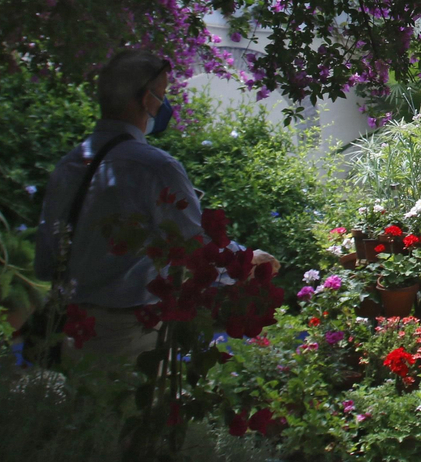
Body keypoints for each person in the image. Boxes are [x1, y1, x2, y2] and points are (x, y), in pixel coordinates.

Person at [34, 48, 278, 363]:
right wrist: (248, 261)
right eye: (162, 94)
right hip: (125, 336)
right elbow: (198, 248)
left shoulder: (70, 164)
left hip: (68, 329)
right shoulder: (153, 168)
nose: (165, 104)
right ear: (147, 99)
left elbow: (44, 263)